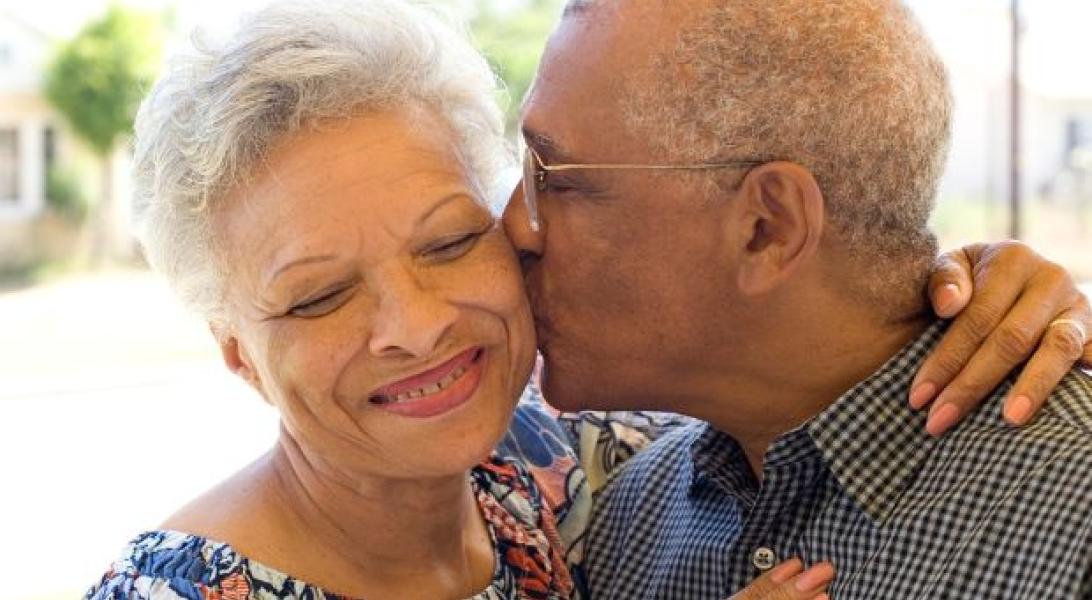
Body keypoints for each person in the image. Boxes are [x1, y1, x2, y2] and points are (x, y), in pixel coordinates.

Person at [85, 1, 1089, 599]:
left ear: (768, 228)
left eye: (451, 238)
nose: (419, 323)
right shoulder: (624, 506)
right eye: (316, 297)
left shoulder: (569, 480)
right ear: (234, 350)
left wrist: (984, 291)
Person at [500, 0, 1092, 597]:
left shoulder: (1072, 511)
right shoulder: (629, 515)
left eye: (555, 178)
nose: (516, 229)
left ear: (768, 228)